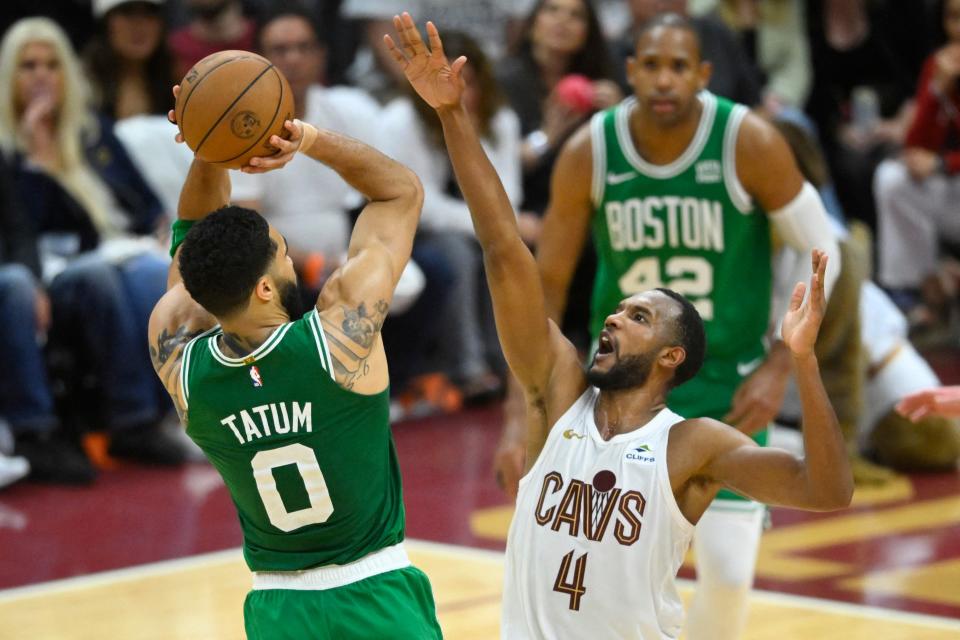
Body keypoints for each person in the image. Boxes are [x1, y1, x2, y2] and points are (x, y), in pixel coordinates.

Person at [385, 13, 852, 638]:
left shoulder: (692, 445)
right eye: (618, 306)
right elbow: (504, 250)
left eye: (638, 315)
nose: (612, 314)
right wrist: (452, 117)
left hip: (734, 382)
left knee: (731, 576)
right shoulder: (557, 397)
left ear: (669, 357)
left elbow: (826, 490)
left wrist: (797, 361)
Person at [149, 82, 441, 637]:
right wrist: (300, 137)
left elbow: (190, 247)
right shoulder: (338, 336)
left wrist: (209, 149)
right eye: (283, 253)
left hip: (277, 608)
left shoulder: (178, 357)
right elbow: (399, 193)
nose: (292, 260)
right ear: (264, 288)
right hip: (375, 597)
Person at [0, 17, 186, 470]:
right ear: (9, 76)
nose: (41, 75)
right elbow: (29, 224)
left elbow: (143, 199)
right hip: (49, 267)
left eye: (51, 65)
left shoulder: (92, 131)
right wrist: (32, 153)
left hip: (109, 251)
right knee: (105, 277)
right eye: (28, 66)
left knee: (152, 273)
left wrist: (161, 229)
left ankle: (175, 413)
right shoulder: (7, 149)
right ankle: (131, 418)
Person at [380, 30, 520, 402]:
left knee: (508, 249)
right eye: (445, 81)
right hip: (408, 233)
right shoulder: (399, 120)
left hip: (471, 226)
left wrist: (504, 228)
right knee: (458, 253)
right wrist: (492, 226)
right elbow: (419, 204)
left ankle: (511, 362)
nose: (457, 91)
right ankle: (468, 369)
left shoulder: (500, 120)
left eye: (467, 82)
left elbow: (506, 197)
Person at [874, 0, 960, 326]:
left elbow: (935, 159)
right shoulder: (937, 65)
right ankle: (920, 291)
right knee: (891, 178)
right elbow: (914, 145)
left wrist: (941, 164)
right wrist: (938, 90)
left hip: (951, 173)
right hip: (951, 188)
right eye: (954, 18)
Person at [84, 0, 177, 121]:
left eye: (148, 13)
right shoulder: (80, 87)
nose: (139, 25)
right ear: (106, 24)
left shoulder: (179, 84)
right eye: (127, 12)